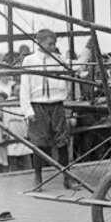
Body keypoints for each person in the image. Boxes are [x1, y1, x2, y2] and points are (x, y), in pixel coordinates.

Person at [19, 29, 79, 190]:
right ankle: (38, 178)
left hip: (57, 104)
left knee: (62, 141)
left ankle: (68, 178)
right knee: (39, 142)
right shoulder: (29, 60)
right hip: (38, 105)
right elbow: (24, 87)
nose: (53, 47)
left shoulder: (58, 59)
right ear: (39, 42)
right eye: (49, 44)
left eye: (54, 44)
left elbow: (77, 67)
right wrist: (28, 111)